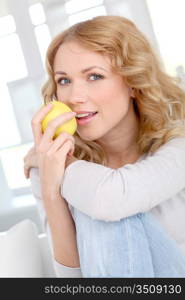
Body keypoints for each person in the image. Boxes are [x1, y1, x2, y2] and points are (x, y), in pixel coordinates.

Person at [24, 16, 185, 277]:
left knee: (99, 205)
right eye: (64, 80)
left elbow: (110, 198)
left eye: (94, 76)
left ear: (133, 82)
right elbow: (72, 282)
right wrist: (51, 191)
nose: (75, 96)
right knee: (90, 204)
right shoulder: (46, 166)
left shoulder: (179, 148)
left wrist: (61, 162)